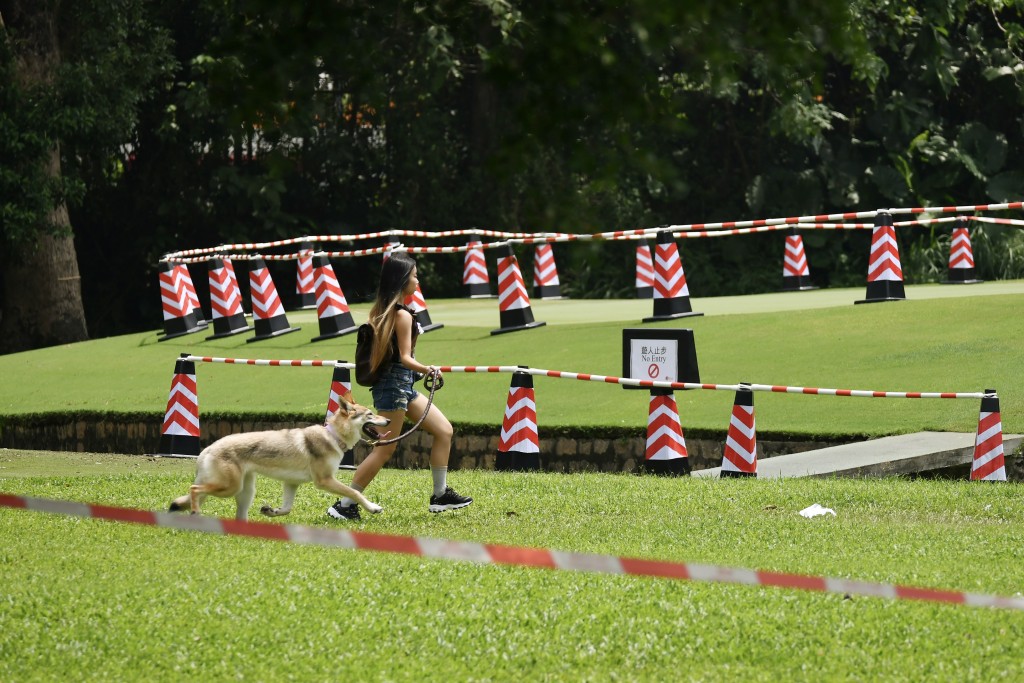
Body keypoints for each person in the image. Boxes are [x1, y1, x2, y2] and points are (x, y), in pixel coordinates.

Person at [328, 251, 472, 520]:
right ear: (403, 280)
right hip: (394, 389)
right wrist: (429, 369)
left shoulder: (387, 312)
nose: (418, 280)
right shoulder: (402, 315)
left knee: (443, 430)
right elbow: (405, 358)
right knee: (385, 450)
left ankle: (440, 496)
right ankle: (345, 505)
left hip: (402, 387)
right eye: (415, 275)